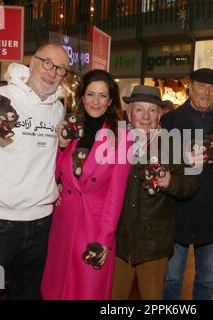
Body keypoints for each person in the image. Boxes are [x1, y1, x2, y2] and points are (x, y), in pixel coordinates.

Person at [0, 43, 69, 299]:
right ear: (32, 62)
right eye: (48, 63)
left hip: (41, 225)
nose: (53, 73)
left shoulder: (58, 109)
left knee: (26, 295)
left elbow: (47, 161)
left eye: (61, 69)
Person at [41, 69, 132, 300]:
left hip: (95, 226)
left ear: (111, 100)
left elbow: (116, 195)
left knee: (87, 290)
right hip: (63, 221)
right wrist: (61, 146)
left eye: (102, 96)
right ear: (82, 97)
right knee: (55, 287)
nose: (96, 101)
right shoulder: (71, 128)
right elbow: (55, 172)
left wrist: (104, 240)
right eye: (91, 94)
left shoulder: (123, 137)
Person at [161, 68, 213, 300]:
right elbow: (156, 161)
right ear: (190, 87)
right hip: (177, 212)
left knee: (207, 279)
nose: (207, 92)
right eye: (202, 86)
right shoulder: (170, 121)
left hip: (212, 213)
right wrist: (181, 160)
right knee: (172, 278)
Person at [111, 85, 198, 300]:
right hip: (118, 242)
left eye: (152, 110)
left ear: (160, 115)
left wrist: (171, 182)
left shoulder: (173, 145)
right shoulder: (114, 142)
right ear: (129, 114)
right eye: (139, 110)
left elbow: (191, 185)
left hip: (154, 244)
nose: (146, 116)